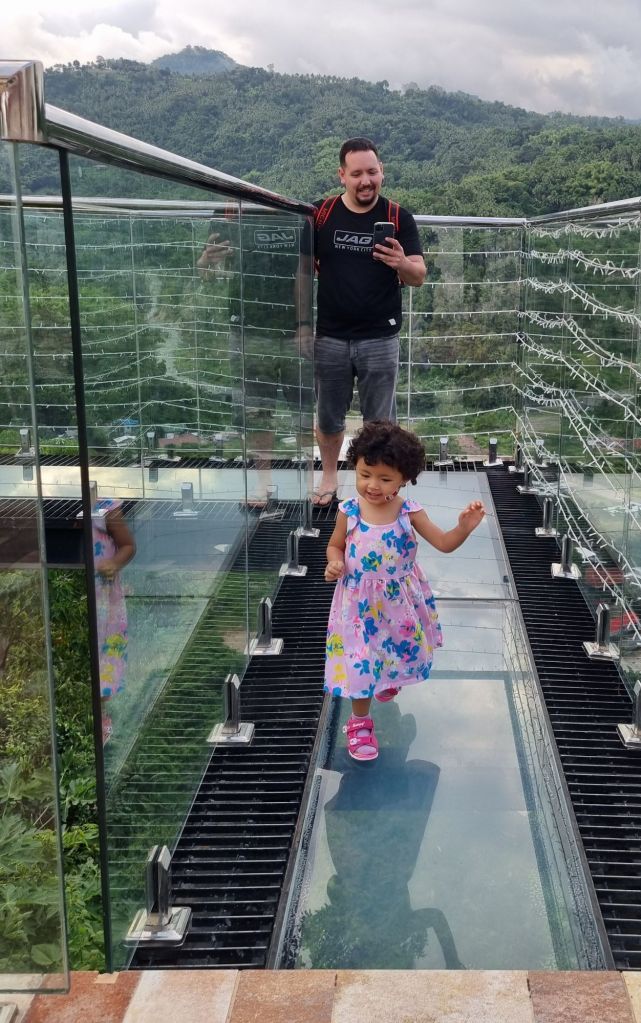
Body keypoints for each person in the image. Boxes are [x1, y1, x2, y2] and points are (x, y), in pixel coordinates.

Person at [323, 421, 485, 761]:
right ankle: (359, 723)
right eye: (365, 474)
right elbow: (335, 545)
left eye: (385, 479)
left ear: (404, 479)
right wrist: (335, 562)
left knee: (395, 649)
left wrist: (463, 528)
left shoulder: (409, 513)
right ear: (355, 467)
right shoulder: (348, 511)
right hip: (358, 605)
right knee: (361, 663)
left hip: (398, 603)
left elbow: (443, 543)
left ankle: (388, 678)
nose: (372, 485)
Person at [311, 137, 427, 506]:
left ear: (382, 172)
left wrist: (400, 262)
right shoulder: (321, 215)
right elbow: (299, 270)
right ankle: (329, 476)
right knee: (328, 417)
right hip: (329, 335)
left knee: (380, 423)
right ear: (341, 175)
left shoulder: (398, 217)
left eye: (372, 172)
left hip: (380, 336)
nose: (366, 181)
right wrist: (300, 326)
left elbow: (418, 276)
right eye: (357, 173)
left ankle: (379, 485)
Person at [197, 204, 312, 505]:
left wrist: (305, 325)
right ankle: (263, 484)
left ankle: (312, 484)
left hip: (297, 331)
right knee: (256, 412)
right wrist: (206, 261)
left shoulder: (299, 214)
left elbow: (310, 268)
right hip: (248, 330)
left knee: (305, 410)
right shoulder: (229, 215)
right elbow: (207, 273)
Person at [92, 497, 136, 744]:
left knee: (103, 654)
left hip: (104, 601)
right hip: (71, 592)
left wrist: (113, 563)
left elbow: (128, 545)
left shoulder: (104, 504)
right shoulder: (51, 497)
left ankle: (100, 716)